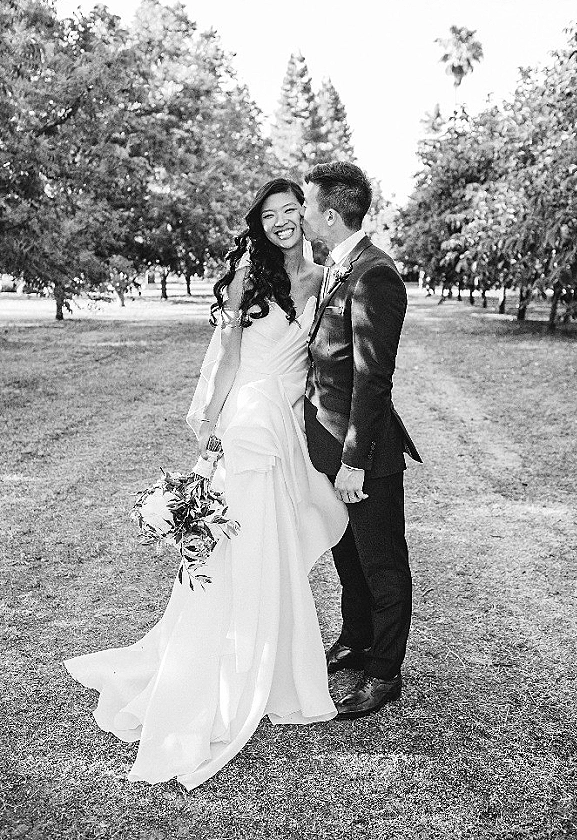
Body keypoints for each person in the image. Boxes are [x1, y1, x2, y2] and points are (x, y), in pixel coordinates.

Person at [64, 179, 348, 789]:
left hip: (288, 425)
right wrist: (210, 423)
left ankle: (273, 662)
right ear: (258, 224)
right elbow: (227, 355)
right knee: (240, 540)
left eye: (290, 211)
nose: (281, 222)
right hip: (248, 422)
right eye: (269, 215)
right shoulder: (248, 276)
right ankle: (224, 666)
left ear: (306, 214)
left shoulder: (325, 277)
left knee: (275, 541)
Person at [301, 161, 422, 720]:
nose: (302, 215)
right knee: (346, 554)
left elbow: (374, 378)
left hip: (365, 453)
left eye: (307, 205)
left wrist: (355, 460)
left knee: (382, 563)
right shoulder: (335, 266)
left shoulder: (375, 274)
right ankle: (355, 639)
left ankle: (384, 672)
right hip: (329, 446)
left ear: (330, 214)